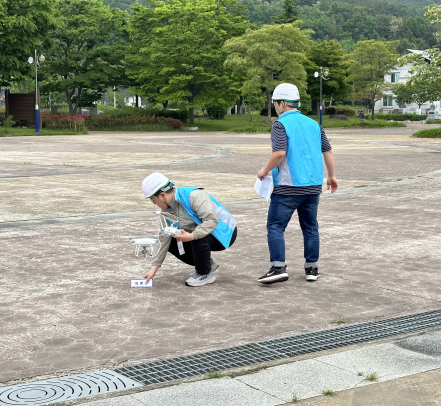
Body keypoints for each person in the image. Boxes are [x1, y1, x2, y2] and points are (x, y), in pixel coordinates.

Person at [256, 83, 338, 284]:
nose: (276, 107)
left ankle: (278, 267)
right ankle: (312, 268)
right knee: (310, 227)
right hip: (312, 187)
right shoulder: (313, 124)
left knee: (275, 226)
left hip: (287, 187)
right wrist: (332, 176)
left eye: (276, 103)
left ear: (282, 104)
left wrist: (264, 171)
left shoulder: (280, 125)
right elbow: (327, 151)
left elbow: (279, 153)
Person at [141, 172, 237, 287]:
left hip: (224, 232)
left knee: (197, 235)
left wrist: (191, 236)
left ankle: (204, 274)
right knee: (171, 241)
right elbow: (163, 238)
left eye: (153, 200)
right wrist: (153, 269)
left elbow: (211, 221)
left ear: (162, 195)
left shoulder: (194, 195)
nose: (154, 204)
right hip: (203, 233)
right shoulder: (167, 210)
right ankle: (207, 264)